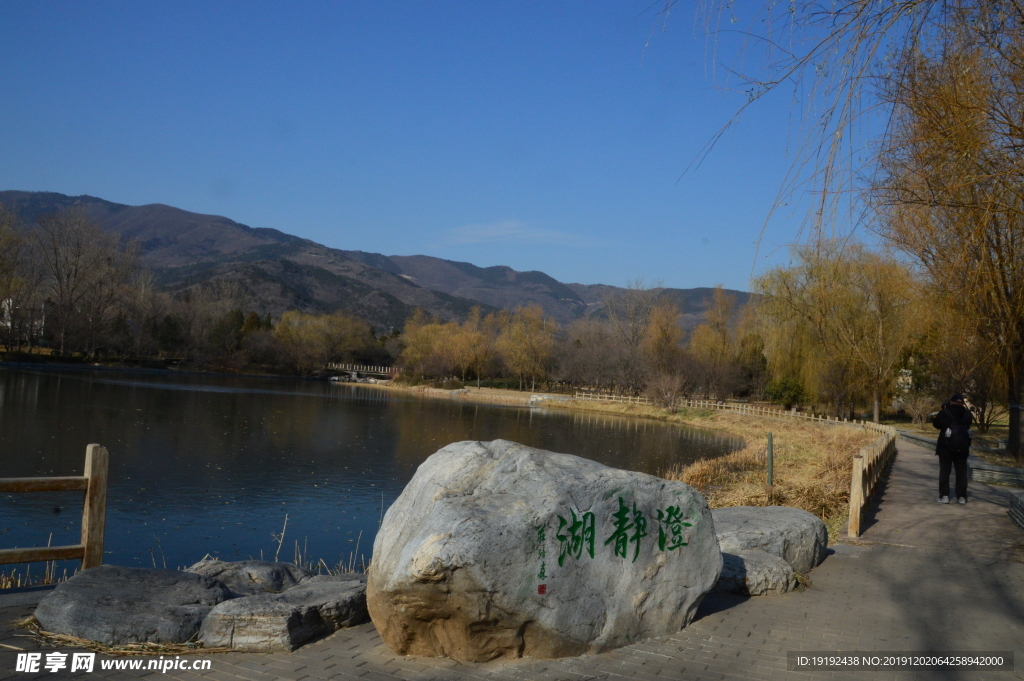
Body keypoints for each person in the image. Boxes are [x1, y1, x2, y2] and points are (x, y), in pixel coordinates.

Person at [932, 393, 973, 504]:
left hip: (945, 448)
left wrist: (944, 410)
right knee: (961, 473)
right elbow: (969, 425)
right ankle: (962, 497)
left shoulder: (945, 412)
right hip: (962, 448)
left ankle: (944, 496)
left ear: (951, 402)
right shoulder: (967, 414)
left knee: (945, 472)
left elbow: (936, 424)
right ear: (962, 403)